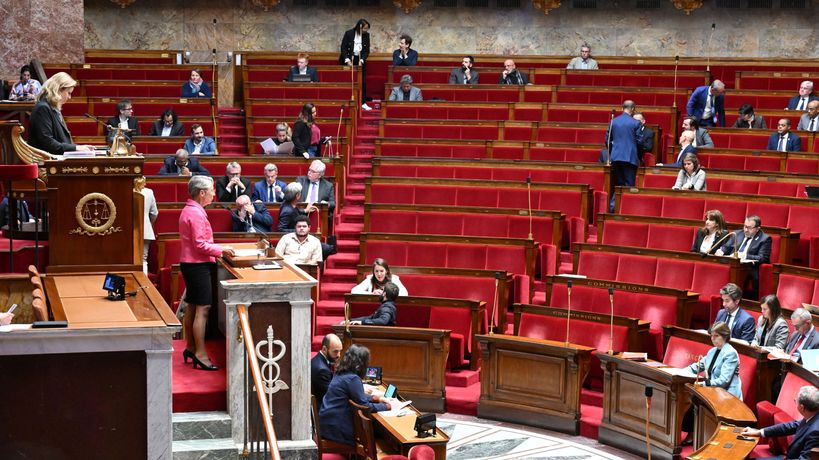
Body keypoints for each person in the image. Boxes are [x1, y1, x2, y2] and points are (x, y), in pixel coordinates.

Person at [179, 175, 235, 371]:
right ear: (201, 193)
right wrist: (222, 250)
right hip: (198, 265)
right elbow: (200, 244)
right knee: (202, 309)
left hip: (191, 263)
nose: (214, 193)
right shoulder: (195, 213)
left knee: (193, 307)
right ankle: (201, 354)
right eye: (211, 190)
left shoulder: (191, 209)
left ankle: (191, 348)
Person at [318, 344, 394, 446]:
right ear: (361, 364)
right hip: (337, 430)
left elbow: (355, 396)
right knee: (381, 433)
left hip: (326, 425)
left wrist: (375, 398)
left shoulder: (340, 374)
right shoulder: (353, 379)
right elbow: (364, 406)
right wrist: (386, 406)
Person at [680, 321, 742, 443]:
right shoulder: (712, 351)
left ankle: (700, 437)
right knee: (690, 400)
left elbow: (724, 381)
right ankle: (693, 434)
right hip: (713, 391)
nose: (712, 339)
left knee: (696, 401)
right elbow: (697, 366)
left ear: (724, 336)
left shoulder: (730, 353)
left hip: (727, 395)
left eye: (716, 336)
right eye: (711, 336)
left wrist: (704, 384)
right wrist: (679, 372)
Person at [740, 386, 819, 460]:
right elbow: (791, 426)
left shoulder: (815, 432)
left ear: (802, 407)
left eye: (795, 401)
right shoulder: (813, 415)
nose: (795, 402)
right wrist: (759, 432)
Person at [28, 72, 95, 155]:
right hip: (47, 163)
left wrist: (79, 149)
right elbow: (47, 142)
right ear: (58, 89)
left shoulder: (53, 108)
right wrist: (76, 148)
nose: (69, 97)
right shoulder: (43, 108)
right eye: (69, 93)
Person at [715, 215, 772, 298]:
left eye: (749, 228)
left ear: (757, 229)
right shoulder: (737, 233)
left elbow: (763, 258)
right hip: (732, 264)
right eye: (745, 226)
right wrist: (721, 251)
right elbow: (726, 247)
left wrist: (744, 256)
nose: (745, 230)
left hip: (750, 268)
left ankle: (735, 298)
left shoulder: (765, 239)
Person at [606, 101, 643, 208]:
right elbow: (639, 142)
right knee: (629, 184)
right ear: (632, 109)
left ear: (622, 108)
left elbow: (607, 140)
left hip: (616, 157)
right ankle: (625, 207)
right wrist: (639, 156)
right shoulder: (636, 123)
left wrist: (613, 151)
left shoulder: (614, 122)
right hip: (630, 157)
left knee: (619, 184)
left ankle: (613, 207)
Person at [339, 19, 371, 110]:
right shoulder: (349, 33)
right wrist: (347, 60)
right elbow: (343, 47)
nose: (366, 30)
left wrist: (362, 60)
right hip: (348, 59)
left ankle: (363, 102)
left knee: (362, 82)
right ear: (359, 27)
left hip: (359, 60)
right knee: (347, 81)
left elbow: (366, 51)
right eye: (365, 28)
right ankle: (346, 101)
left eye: (367, 29)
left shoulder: (366, 35)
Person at [311, 333, 342, 407]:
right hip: (324, 409)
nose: (339, 355)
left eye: (340, 351)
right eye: (335, 351)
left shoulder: (318, 359)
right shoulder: (322, 370)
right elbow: (333, 394)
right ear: (324, 349)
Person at [135, 176, 158, 274]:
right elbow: (154, 213)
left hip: (128, 230)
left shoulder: (125, 190)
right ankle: (144, 286)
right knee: (143, 260)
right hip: (145, 229)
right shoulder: (149, 192)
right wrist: (149, 222)